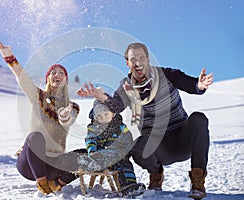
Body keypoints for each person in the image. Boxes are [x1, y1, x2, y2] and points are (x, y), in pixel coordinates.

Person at [77, 42, 213, 199]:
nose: (138, 63)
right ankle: (156, 174)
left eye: (141, 58)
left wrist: (199, 85)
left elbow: (191, 85)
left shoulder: (167, 74)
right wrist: (100, 96)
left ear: (148, 59)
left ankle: (197, 181)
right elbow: (116, 106)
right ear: (127, 63)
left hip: (183, 140)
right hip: (158, 147)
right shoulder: (127, 87)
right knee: (136, 143)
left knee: (198, 119)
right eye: (133, 59)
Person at [0, 32, 82, 195]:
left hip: (54, 164)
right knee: (34, 137)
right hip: (30, 164)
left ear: (66, 80)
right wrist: (6, 53)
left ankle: (57, 183)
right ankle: (42, 184)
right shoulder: (39, 97)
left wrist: (65, 113)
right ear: (48, 78)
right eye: (53, 72)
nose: (57, 75)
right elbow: (22, 77)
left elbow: (67, 122)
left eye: (61, 73)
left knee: (83, 155)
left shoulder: (73, 107)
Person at [85, 100, 145, 195]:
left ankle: (129, 186)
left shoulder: (120, 127)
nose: (103, 118)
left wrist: (125, 150)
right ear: (95, 117)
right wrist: (92, 151)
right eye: (99, 116)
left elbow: (128, 140)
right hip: (101, 156)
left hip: (117, 155)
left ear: (113, 113)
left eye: (106, 114)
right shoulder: (93, 128)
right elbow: (90, 140)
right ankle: (95, 165)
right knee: (96, 159)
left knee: (125, 166)